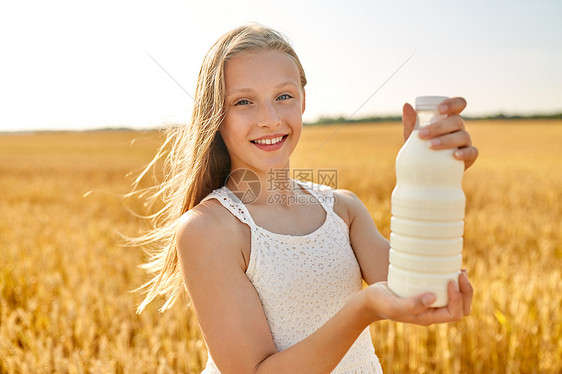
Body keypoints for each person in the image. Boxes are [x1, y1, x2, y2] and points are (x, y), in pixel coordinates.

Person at [133, 22, 477, 373]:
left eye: (284, 96)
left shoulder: (343, 210)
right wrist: (363, 309)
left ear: (303, 100)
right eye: (244, 102)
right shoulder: (209, 229)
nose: (269, 119)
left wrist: (430, 176)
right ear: (216, 116)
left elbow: (419, 292)